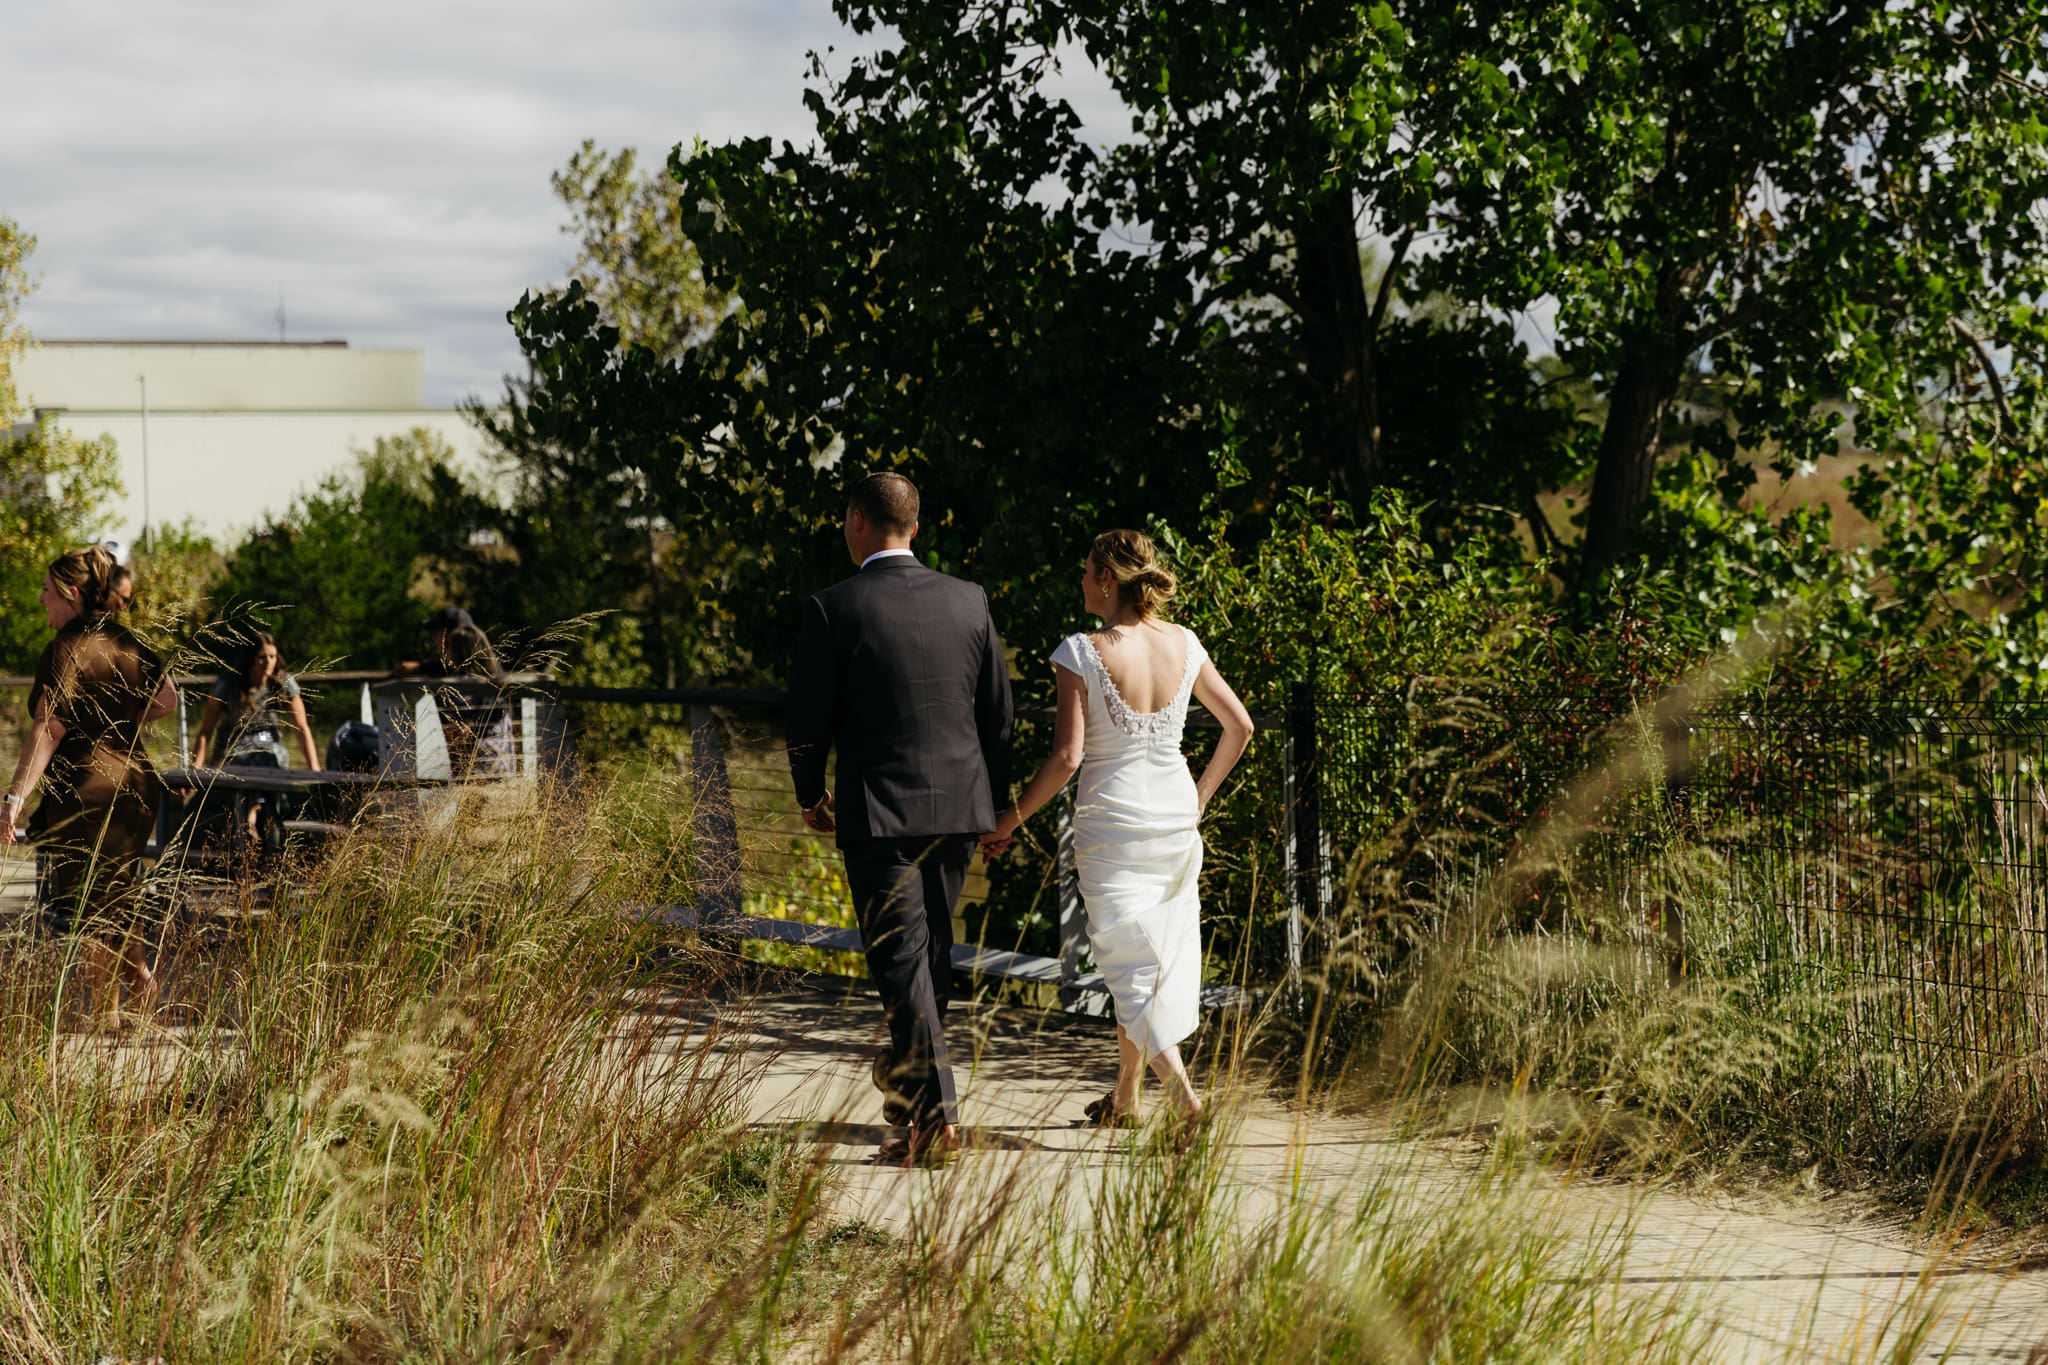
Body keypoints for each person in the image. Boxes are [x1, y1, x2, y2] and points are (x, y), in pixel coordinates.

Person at [981, 530, 1254, 1128]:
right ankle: (1125, 1098)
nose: (1080, 582)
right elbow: (1240, 727)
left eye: (1085, 571)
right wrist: (1199, 799)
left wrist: (1008, 819)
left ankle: (1187, 1105)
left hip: (1113, 826)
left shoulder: (1080, 651)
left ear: (1107, 578)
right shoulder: (1185, 642)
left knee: (1130, 969)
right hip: (1175, 821)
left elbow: (1066, 759)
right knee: (1148, 962)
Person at [787, 472, 1014, 1168]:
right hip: (957, 807)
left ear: (857, 521)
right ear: (914, 527)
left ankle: (932, 1119)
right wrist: (998, 803)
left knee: (901, 965)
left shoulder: (834, 608)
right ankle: (921, 1109)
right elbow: (997, 715)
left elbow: (807, 717)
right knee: (927, 962)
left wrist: (808, 791)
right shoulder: (969, 601)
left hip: (878, 809)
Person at [0, 546, 178, 1028]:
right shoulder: (125, 641)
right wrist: (119, 719)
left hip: (88, 790)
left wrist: (12, 800)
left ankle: (107, 1010)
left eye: (45, 591)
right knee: (117, 889)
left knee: (91, 905)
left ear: (71, 594)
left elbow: (48, 728)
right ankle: (137, 983)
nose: (40, 600)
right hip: (137, 785)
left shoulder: (64, 649)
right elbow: (167, 699)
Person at [191, 632, 320, 770]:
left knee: (274, 760)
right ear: (250, 658)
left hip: (270, 751)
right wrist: (195, 769)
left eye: (272, 657)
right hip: (233, 752)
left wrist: (314, 769)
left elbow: (301, 727)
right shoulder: (228, 684)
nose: (268, 663)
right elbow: (206, 730)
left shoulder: (283, 684)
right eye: (262, 657)